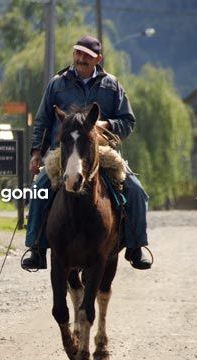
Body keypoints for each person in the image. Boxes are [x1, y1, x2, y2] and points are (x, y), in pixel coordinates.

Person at [22, 35, 152, 271]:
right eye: (77, 53)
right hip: (64, 151)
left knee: (137, 192)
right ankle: (36, 248)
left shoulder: (112, 85)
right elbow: (42, 121)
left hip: (101, 151)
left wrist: (107, 125)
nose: (80, 58)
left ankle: (135, 247)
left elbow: (128, 121)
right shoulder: (57, 83)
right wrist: (36, 153)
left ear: (97, 59)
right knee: (39, 189)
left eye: (86, 55)